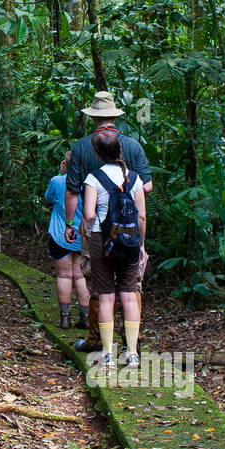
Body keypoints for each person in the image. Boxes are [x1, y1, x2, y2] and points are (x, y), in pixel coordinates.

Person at [62, 91, 153, 351]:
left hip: (95, 229)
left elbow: (71, 190)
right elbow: (146, 187)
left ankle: (97, 341)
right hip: (130, 227)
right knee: (131, 283)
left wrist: (70, 224)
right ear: (114, 116)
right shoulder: (133, 145)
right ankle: (130, 344)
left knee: (98, 283)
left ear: (93, 119)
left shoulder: (81, 147)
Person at [82, 128, 147, 370]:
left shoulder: (93, 179)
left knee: (106, 296)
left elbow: (89, 214)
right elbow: (141, 217)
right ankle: (132, 354)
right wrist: (141, 245)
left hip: (102, 241)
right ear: (119, 150)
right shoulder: (134, 178)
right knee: (129, 296)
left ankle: (107, 354)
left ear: (98, 153)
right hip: (130, 241)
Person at [44, 156, 89, 328]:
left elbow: (49, 198)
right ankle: (85, 318)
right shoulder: (88, 183)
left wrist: (62, 174)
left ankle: (65, 318)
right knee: (80, 275)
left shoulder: (56, 181)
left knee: (63, 275)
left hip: (59, 235)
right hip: (81, 236)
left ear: (65, 164)